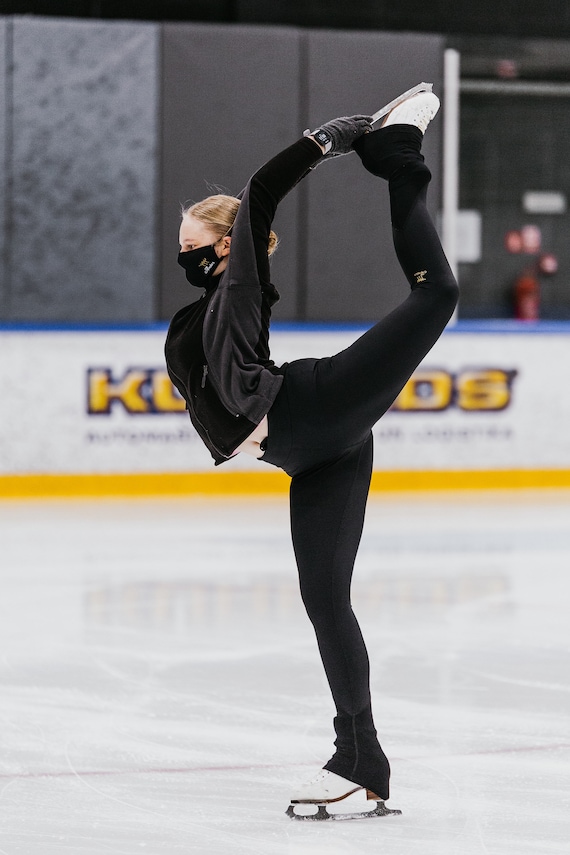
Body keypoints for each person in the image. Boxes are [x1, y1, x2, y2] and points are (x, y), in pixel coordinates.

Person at [165, 88, 459, 820]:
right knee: (326, 601)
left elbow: (262, 190)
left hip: (315, 405)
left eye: (190, 242)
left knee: (437, 295)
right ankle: (360, 760)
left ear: (225, 248)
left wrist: (332, 139)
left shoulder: (237, 289)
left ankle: (398, 154)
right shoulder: (203, 313)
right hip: (310, 453)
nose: (181, 253)